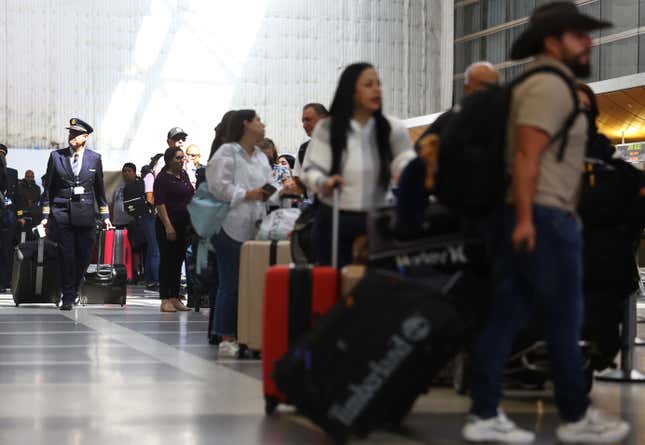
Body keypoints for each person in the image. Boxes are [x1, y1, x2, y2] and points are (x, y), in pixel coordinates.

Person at [462, 3, 629, 443]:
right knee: (561, 317)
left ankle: (486, 412)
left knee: (510, 315)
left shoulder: (546, 84)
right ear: (553, 41)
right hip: (543, 214)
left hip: (540, 214)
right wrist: (524, 219)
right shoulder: (549, 87)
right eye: (579, 34)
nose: (588, 41)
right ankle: (574, 417)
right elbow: (525, 156)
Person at [301, 62, 414, 268]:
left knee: (378, 285)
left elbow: (404, 158)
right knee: (334, 286)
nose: (377, 89)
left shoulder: (393, 127)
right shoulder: (328, 129)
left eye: (378, 84)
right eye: (368, 84)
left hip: (379, 218)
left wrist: (407, 172)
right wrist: (324, 182)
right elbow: (310, 170)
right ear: (351, 91)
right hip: (335, 218)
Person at [206, 109, 296, 357]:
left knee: (249, 283)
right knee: (230, 282)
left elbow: (268, 187)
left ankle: (246, 333)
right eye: (258, 120)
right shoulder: (226, 153)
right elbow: (218, 188)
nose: (263, 124)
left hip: (254, 226)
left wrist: (283, 190)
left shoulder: (258, 157)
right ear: (246, 124)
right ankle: (225, 336)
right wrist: (247, 194)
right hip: (227, 226)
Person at [396, 61, 500, 235]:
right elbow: (418, 159)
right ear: (467, 88)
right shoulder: (448, 121)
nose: (490, 93)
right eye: (484, 86)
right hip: (456, 213)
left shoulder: (506, 122)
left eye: (495, 87)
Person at [41, 118, 113, 311]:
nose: (71, 137)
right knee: (66, 255)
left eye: (75, 134)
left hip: (86, 213)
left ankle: (75, 284)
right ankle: (68, 295)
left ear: (85, 137)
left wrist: (105, 216)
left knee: (83, 255)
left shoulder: (94, 158)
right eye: (70, 133)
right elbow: (48, 188)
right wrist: (46, 214)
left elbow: (99, 190)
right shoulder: (56, 156)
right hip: (62, 212)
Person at [154, 147, 194, 312]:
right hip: (167, 225)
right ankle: (165, 298)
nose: (181, 160)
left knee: (178, 261)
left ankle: (175, 297)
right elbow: (160, 203)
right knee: (167, 261)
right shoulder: (163, 178)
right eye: (178, 158)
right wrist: (168, 226)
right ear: (169, 160)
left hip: (184, 224)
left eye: (182, 158)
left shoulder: (183, 175)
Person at [140, 153, 164, 291]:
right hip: (150, 216)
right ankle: (156, 280)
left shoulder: (152, 176)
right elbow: (149, 197)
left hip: (149, 216)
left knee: (151, 249)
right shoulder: (150, 177)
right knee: (156, 250)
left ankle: (149, 279)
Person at [0, 144, 20, 291]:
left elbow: (17, 197)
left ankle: (6, 281)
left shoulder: (13, 173)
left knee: (7, 250)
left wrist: (19, 216)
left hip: (8, 216)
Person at [294, 103, 329, 176]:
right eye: (303, 121)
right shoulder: (303, 149)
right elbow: (298, 180)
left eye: (308, 120)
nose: (304, 125)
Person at [110, 163, 136, 229]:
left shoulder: (138, 186)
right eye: (124, 171)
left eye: (129, 171)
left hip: (131, 223)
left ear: (134, 173)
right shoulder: (118, 188)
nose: (126, 173)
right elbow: (112, 205)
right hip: (117, 223)